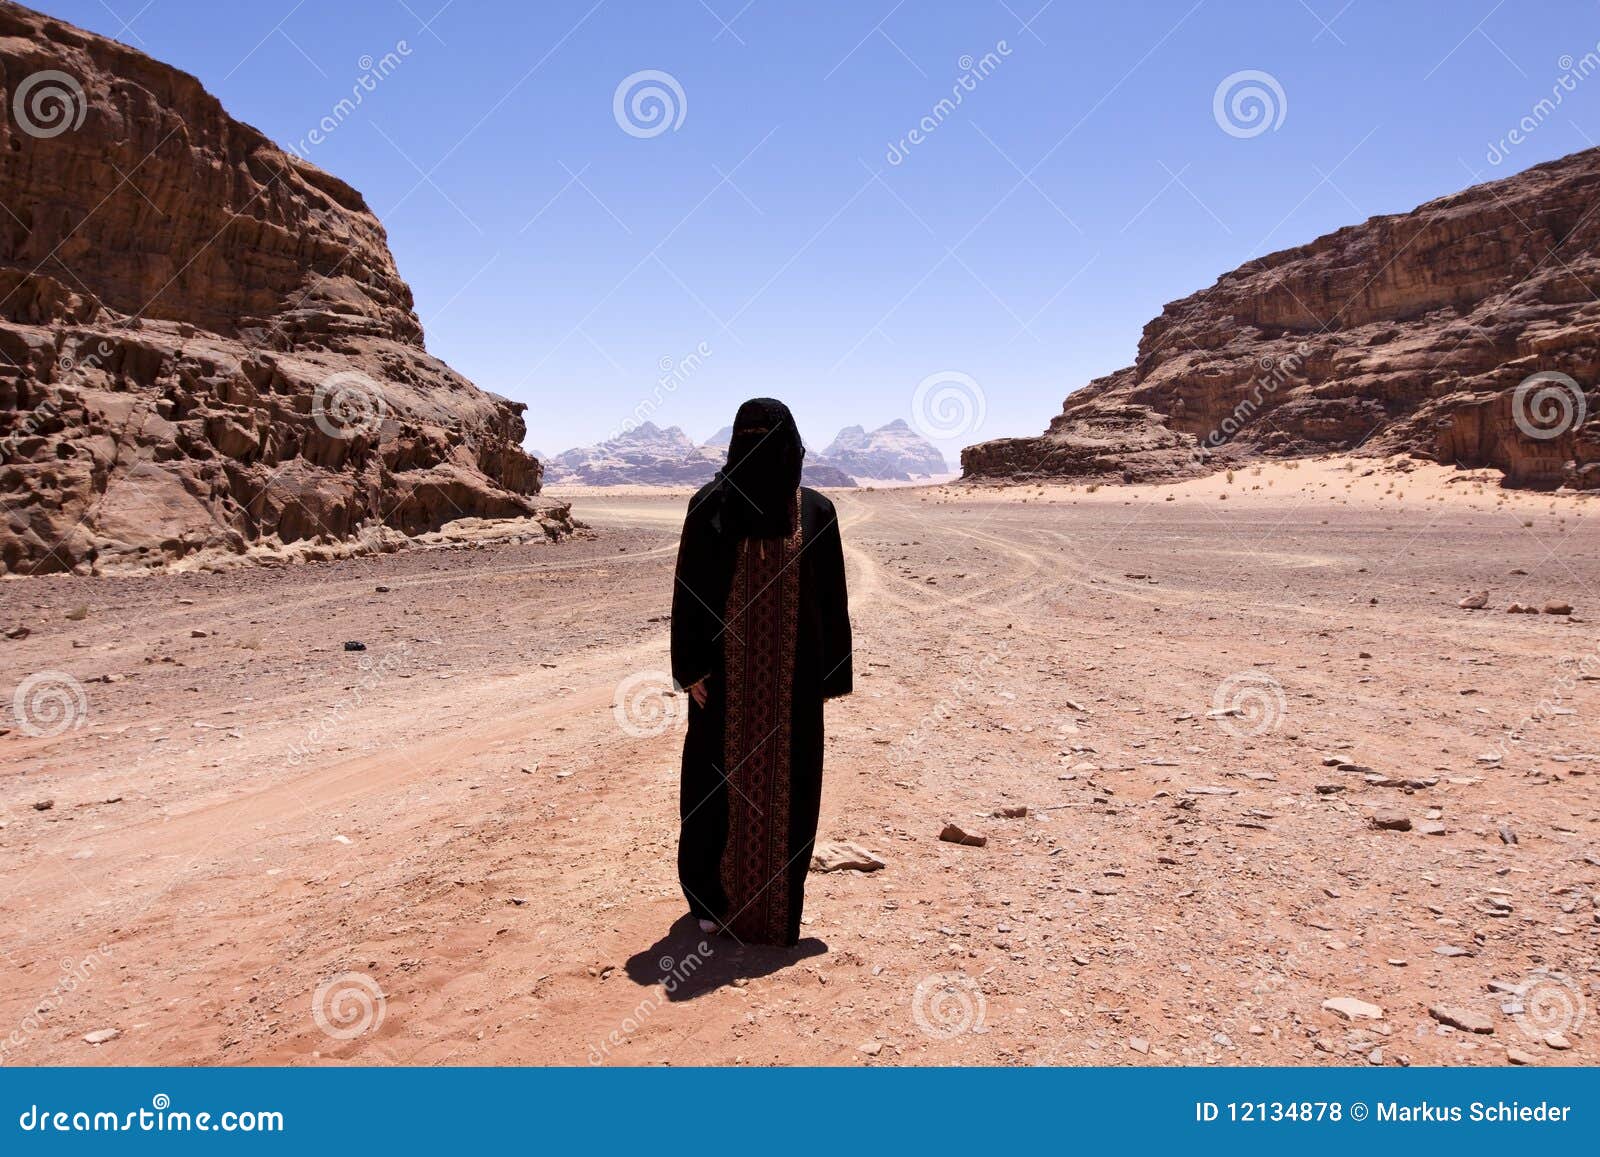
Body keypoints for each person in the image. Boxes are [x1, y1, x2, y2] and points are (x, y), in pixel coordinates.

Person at [670, 398, 853, 946]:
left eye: (766, 440)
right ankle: (707, 899)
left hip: (793, 684)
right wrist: (690, 667)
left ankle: (777, 906)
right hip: (719, 685)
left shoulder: (817, 512)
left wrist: (830, 678)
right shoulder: (709, 506)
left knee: (791, 787)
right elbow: (689, 591)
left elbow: (831, 598)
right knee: (710, 788)